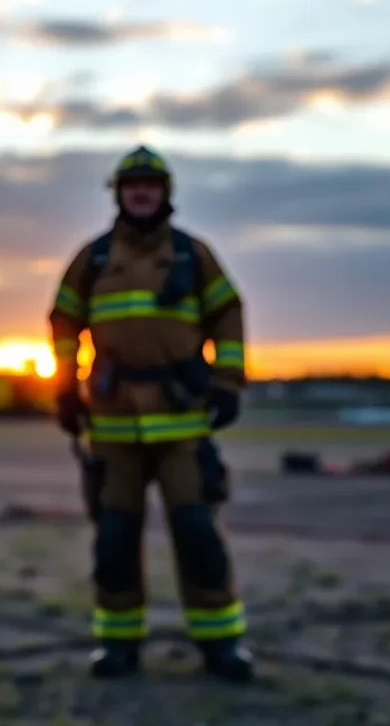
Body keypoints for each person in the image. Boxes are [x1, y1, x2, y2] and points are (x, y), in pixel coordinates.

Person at [49, 145, 252, 682]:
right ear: (118, 193)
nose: (141, 193)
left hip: (183, 427)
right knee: (115, 539)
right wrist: (65, 388)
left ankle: (221, 644)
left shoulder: (193, 255)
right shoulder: (92, 259)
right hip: (113, 428)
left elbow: (228, 312)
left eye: (151, 185)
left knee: (197, 534)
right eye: (132, 185)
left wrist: (229, 380)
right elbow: (64, 320)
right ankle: (117, 646)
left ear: (165, 193)